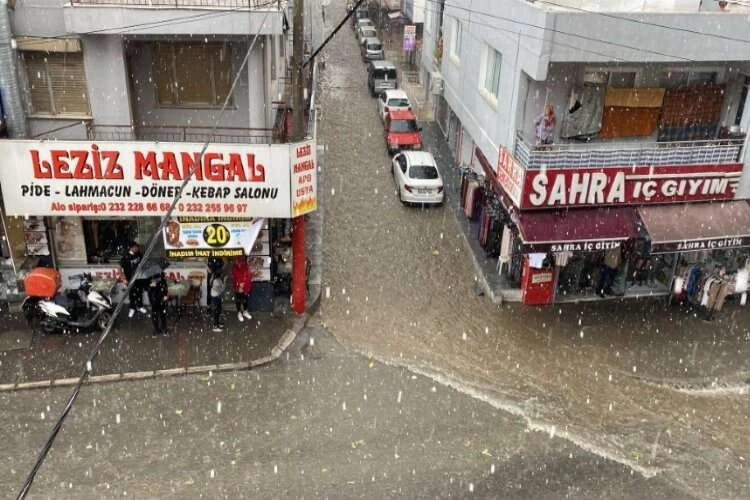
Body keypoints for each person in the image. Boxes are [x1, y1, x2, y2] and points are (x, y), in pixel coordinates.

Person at [119, 241, 148, 318]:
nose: (137, 248)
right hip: (130, 279)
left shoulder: (139, 254)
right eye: (135, 247)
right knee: (132, 294)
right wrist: (124, 278)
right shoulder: (125, 257)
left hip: (139, 278)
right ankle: (132, 308)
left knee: (139, 293)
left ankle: (140, 306)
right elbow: (119, 268)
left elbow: (143, 263)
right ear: (131, 247)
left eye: (137, 247)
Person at [231, 256, 254, 323]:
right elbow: (234, 278)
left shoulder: (245, 266)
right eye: (236, 261)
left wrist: (245, 284)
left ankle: (245, 311)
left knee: (245, 299)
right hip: (238, 287)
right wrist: (238, 285)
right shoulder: (234, 267)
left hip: (245, 286)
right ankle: (239, 312)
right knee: (238, 299)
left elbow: (248, 275)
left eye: (239, 261)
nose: (238, 262)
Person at [147, 272, 169, 337]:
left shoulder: (161, 274)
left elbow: (164, 285)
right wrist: (150, 286)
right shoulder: (148, 275)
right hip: (153, 299)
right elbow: (146, 287)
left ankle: (164, 329)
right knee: (154, 315)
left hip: (161, 297)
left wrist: (165, 294)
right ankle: (156, 329)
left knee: (163, 314)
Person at [209, 267, 226, 332]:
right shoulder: (216, 281)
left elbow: (220, 290)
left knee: (218, 311)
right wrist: (224, 281)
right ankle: (215, 326)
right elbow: (220, 290)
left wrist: (223, 282)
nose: (223, 274)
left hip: (217, 297)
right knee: (216, 311)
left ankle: (217, 323)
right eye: (222, 273)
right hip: (215, 298)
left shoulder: (217, 279)